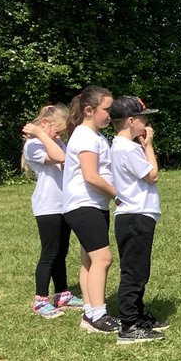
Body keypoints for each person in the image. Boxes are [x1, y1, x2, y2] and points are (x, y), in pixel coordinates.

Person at [62, 86, 120, 335]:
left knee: (88, 259)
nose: (111, 114)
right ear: (89, 110)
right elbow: (91, 176)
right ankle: (99, 314)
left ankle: (89, 312)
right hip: (84, 205)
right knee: (103, 259)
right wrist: (118, 195)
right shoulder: (85, 136)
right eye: (107, 109)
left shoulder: (95, 136)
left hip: (92, 204)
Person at [109, 96, 167, 344]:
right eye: (143, 118)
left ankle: (138, 316)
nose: (146, 123)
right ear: (130, 121)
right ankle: (129, 325)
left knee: (139, 270)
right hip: (135, 215)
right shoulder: (127, 148)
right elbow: (152, 175)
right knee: (134, 272)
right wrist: (149, 146)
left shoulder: (124, 146)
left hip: (136, 214)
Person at [21, 104, 82, 318]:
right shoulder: (34, 145)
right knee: (49, 252)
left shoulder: (55, 141)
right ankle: (40, 300)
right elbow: (59, 157)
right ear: (45, 124)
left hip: (63, 204)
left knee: (61, 251)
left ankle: (62, 293)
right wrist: (40, 132)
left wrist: (52, 136)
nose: (60, 136)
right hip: (47, 206)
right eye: (57, 131)